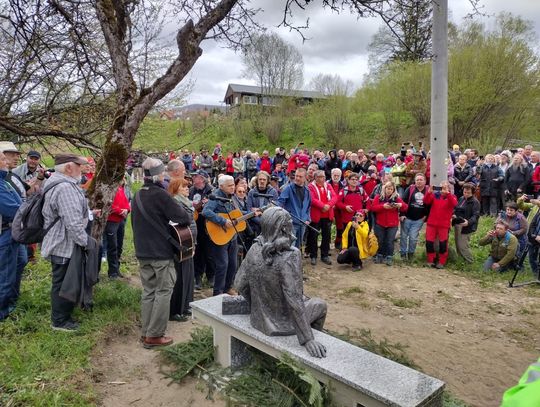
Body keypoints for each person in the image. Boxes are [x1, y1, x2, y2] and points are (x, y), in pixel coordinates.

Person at [234, 206, 327, 358]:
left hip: (258, 320)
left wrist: (259, 305)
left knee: (307, 301)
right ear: (284, 228)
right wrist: (308, 339)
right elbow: (294, 300)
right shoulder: (290, 255)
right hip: (281, 324)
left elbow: (239, 284)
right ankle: (313, 336)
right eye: (290, 223)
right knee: (320, 305)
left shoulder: (254, 248)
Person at [131, 157, 192, 348]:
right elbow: (183, 217)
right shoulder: (161, 195)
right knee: (164, 291)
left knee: (149, 291)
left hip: (142, 251)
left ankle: (146, 332)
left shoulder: (138, 194)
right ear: (159, 175)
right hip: (160, 252)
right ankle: (155, 335)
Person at [41, 153, 92, 331]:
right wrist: (86, 243)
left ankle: (63, 315)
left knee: (63, 280)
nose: (82, 169)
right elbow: (73, 223)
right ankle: (59, 321)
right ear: (69, 168)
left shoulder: (56, 182)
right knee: (63, 282)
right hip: (64, 244)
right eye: (79, 165)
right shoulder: (65, 188)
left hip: (61, 241)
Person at [202, 175, 240, 296]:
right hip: (220, 236)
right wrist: (223, 221)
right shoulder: (216, 196)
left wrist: (252, 213)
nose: (233, 187)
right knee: (223, 264)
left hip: (232, 236)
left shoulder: (232, 197)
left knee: (233, 264)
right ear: (221, 186)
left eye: (233, 184)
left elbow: (236, 214)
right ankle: (217, 292)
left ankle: (227, 288)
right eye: (230, 185)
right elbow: (206, 211)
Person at [168, 178, 197, 322]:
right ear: (175, 189)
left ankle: (186, 305)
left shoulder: (187, 202)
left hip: (189, 242)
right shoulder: (175, 202)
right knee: (180, 278)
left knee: (189, 276)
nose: (187, 189)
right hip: (181, 243)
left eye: (187, 186)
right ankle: (176, 310)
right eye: (183, 186)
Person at [0, 151, 23, 321]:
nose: (6, 161)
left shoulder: (5, 180)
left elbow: (19, 203)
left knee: (20, 262)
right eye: (2, 158)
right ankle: (2, 312)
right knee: (5, 274)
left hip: (14, 232)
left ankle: (12, 301)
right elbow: (12, 209)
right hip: (5, 232)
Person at [369, 181, 407, 265]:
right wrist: (383, 206)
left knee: (390, 241)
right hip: (380, 223)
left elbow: (405, 207)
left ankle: (389, 256)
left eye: (391, 189)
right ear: (384, 188)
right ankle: (379, 255)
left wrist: (400, 205)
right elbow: (373, 208)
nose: (389, 190)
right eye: (387, 188)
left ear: (393, 190)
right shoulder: (378, 197)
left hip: (392, 224)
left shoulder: (396, 198)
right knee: (380, 240)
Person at [423, 181, 458, 269]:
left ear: (449, 189)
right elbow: (426, 202)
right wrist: (429, 193)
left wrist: (448, 194)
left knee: (443, 244)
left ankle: (442, 262)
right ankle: (431, 260)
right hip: (432, 223)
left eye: (445, 188)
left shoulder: (452, 197)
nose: (442, 190)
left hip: (443, 225)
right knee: (429, 243)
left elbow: (455, 204)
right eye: (441, 188)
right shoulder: (436, 195)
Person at [189, 170, 214, 290]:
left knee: (210, 253)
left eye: (196, 177)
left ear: (202, 179)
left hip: (208, 226)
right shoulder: (191, 190)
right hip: (195, 226)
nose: (193, 179)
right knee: (197, 252)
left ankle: (211, 276)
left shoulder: (212, 191)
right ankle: (197, 277)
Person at [307, 170, 337, 266]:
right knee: (314, 236)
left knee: (326, 236)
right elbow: (312, 199)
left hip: (327, 215)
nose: (322, 178)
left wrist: (328, 205)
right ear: (315, 178)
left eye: (323, 176)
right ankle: (313, 255)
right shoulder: (310, 187)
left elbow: (334, 197)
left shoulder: (328, 185)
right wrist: (322, 206)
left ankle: (324, 255)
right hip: (316, 215)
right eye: (319, 177)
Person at [277, 168, 311, 250]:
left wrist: (308, 219)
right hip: (291, 223)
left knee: (298, 245)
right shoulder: (288, 188)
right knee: (291, 246)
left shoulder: (307, 190)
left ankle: (296, 261)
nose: (297, 178)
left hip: (303, 223)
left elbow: (308, 207)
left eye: (300, 176)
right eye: (296, 176)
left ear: (305, 177)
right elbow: (280, 202)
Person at [103, 182, 130, 279]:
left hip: (121, 220)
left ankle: (117, 269)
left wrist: (127, 209)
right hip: (111, 221)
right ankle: (112, 272)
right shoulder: (108, 188)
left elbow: (125, 201)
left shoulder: (120, 188)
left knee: (119, 245)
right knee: (112, 246)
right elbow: (107, 204)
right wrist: (120, 211)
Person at [399, 173, 429, 261]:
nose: (419, 181)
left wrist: (426, 216)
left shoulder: (428, 190)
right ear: (415, 181)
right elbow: (403, 201)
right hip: (407, 217)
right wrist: (402, 214)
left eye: (421, 180)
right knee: (403, 236)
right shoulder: (410, 188)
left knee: (413, 237)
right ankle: (403, 254)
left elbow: (430, 204)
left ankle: (411, 253)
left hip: (419, 219)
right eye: (417, 180)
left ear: (425, 181)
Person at [336, 172, 369, 250]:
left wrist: (367, 209)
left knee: (357, 234)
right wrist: (345, 207)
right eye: (352, 179)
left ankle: (358, 251)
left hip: (359, 218)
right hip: (346, 218)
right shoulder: (344, 191)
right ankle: (345, 250)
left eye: (356, 179)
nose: (354, 181)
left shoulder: (361, 190)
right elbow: (337, 203)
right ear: (348, 180)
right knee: (347, 235)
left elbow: (367, 200)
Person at [452, 183, 481, 264]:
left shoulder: (475, 202)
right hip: (458, 223)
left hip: (467, 226)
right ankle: (461, 260)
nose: (466, 194)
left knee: (463, 245)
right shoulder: (461, 198)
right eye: (465, 192)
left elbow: (476, 215)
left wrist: (468, 222)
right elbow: (456, 209)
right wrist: (453, 214)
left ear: (472, 192)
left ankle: (469, 261)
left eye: (468, 193)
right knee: (457, 243)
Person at [246, 171, 278, 235]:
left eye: (264, 179)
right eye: (260, 179)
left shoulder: (273, 192)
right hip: (255, 222)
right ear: (257, 180)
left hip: (269, 222)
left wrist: (260, 211)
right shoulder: (252, 192)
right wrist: (260, 221)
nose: (262, 181)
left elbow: (274, 208)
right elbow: (249, 209)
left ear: (267, 181)